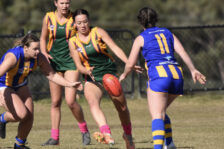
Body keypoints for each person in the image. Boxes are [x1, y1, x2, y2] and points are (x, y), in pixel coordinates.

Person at [119, 7, 206, 149]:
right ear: (156, 19)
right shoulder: (168, 32)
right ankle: (170, 143)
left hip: (160, 75)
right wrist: (193, 69)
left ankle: (159, 147)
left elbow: (130, 63)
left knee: (157, 115)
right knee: (161, 112)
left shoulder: (141, 38)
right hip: (176, 75)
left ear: (140, 22)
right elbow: (182, 51)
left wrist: (124, 74)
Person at [0, 33, 82, 149]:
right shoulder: (13, 57)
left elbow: (52, 75)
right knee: (21, 114)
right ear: (25, 48)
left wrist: (70, 85)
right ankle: (1, 119)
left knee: (29, 116)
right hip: (5, 85)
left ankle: (19, 145)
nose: (38, 51)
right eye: (35, 49)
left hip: (21, 84)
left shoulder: (39, 57)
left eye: (38, 48)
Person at [69, 9, 143, 149]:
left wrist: (129, 63)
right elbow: (79, 66)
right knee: (93, 103)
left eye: (85, 21)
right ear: (75, 25)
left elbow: (115, 48)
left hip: (109, 75)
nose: (83, 25)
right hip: (91, 78)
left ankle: (127, 135)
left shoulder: (98, 32)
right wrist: (87, 70)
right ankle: (106, 133)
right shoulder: (73, 42)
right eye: (79, 23)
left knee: (122, 108)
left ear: (89, 21)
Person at [40, 0, 91, 146]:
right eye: (62, 2)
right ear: (55, 3)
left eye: (67, 2)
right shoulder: (48, 17)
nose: (65, 6)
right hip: (54, 64)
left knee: (70, 101)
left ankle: (84, 130)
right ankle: (54, 138)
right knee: (55, 102)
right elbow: (43, 38)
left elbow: (85, 34)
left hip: (71, 63)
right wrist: (44, 54)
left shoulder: (74, 18)